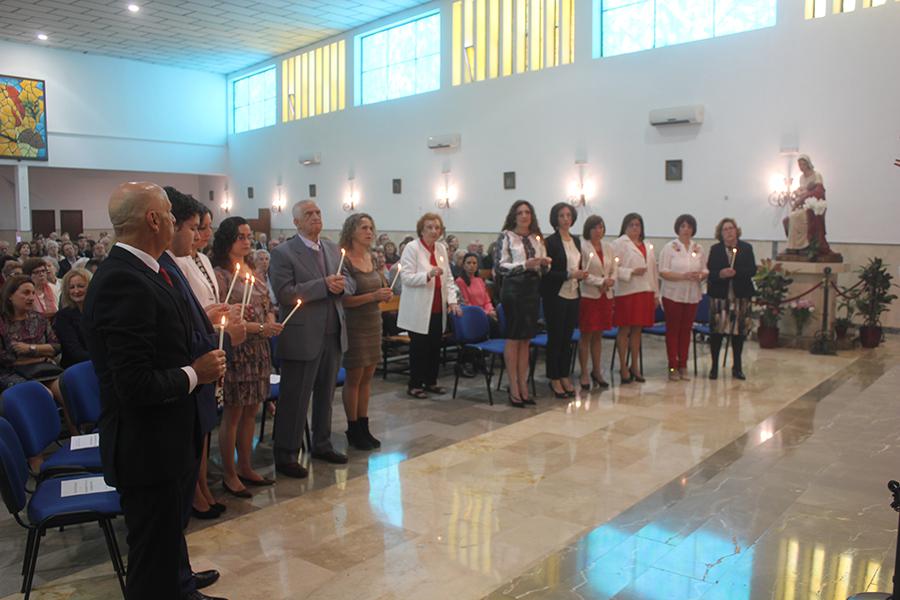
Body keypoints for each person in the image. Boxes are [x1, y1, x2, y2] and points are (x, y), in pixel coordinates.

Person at [82, 182, 227, 600]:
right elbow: (133, 383)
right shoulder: (122, 280)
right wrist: (195, 373)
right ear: (153, 219)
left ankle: (180, 586)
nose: (174, 220)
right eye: (169, 212)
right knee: (150, 557)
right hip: (146, 445)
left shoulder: (151, 269)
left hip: (168, 436)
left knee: (166, 537)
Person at [173, 199, 244, 520]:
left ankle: (202, 485)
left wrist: (221, 313)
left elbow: (209, 300)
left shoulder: (200, 259)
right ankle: (196, 489)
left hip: (211, 339)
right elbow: (190, 311)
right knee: (198, 424)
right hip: (197, 348)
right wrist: (211, 317)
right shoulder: (179, 261)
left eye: (205, 227)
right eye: (197, 227)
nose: (203, 233)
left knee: (205, 422)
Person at [270, 200, 352, 478]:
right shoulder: (283, 253)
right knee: (295, 398)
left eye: (318, 212)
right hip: (302, 334)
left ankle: (322, 443)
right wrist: (323, 285)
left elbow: (349, 281)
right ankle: (286, 454)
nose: (316, 216)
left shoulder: (331, 248)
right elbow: (285, 293)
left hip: (332, 332)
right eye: (309, 214)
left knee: (326, 395)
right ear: (296, 222)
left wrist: (341, 286)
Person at [213, 217, 281, 496]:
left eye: (249, 236)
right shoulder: (221, 275)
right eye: (240, 236)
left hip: (258, 351)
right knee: (234, 413)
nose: (246, 241)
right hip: (238, 350)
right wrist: (261, 327)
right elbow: (225, 317)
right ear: (228, 239)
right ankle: (229, 473)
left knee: (252, 411)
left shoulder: (252, 270)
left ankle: (246, 466)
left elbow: (267, 303)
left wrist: (270, 320)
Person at [339, 213, 392, 450]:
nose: (369, 232)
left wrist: (384, 294)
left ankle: (364, 425)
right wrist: (373, 296)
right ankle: (353, 428)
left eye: (371, 227)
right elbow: (344, 300)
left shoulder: (371, 257)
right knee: (354, 377)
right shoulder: (344, 261)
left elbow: (378, 288)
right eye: (363, 228)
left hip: (373, 322)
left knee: (368, 376)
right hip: (354, 324)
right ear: (351, 231)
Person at [397, 213, 461, 399]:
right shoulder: (412, 248)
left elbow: (448, 278)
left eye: (437, 227)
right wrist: (427, 275)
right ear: (421, 230)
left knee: (434, 346)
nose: (434, 231)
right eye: (429, 227)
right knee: (419, 348)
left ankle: (431, 381)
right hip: (418, 308)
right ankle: (415, 384)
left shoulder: (441, 248)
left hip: (438, 307)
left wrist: (452, 301)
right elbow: (406, 277)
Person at [494, 200, 551, 407]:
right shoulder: (507, 236)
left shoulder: (536, 238)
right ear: (514, 216)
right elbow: (500, 267)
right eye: (520, 212)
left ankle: (524, 384)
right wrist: (524, 265)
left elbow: (543, 268)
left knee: (526, 339)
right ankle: (514, 386)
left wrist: (544, 264)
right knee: (514, 338)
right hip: (514, 290)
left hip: (532, 291)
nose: (524, 216)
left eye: (527, 212)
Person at [0, 276, 69, 443]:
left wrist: (30, 349)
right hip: (11, 373)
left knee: (66, 388)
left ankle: (77, 436)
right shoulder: (2, 322)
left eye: (32, 293)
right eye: (25, 293)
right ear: (10, 296)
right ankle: (38, 449)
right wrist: (42, 355)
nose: (31, 297)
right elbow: (6, 359)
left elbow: (56, 347)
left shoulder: (38, 318)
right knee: (42, 394)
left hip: (42, 370)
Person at [540, 202, 586, 398]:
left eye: (568, 215)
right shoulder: (549, 242)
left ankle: (564, 374)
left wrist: (581, 274)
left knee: (567, 338)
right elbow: (546, 274)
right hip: (556, 295)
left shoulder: (576, 241)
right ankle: (554, 377)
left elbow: (578, 265)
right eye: (562, 215)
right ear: (555, 219)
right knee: (556, 337)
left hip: (573, 294)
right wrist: (569, 275)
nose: (566, 219)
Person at [658, 214, 708, 381]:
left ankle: (683, 365)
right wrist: (683, 276)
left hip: (691, 294)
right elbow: (663, 271)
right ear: (678, 228)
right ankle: (673, 366)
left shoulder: (698, 248)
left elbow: (705, 269)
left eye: (689, 227)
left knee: (686, 331)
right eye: (683, 226)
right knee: (673, 331)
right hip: (673, 295)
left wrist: (700, 275)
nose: (686, 230)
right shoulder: (670, 247)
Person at [706, 218, 757, 381]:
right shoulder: (715, 249)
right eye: (725, 229)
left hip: (740, 296)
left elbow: (752, 270)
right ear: (721, 233)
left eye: (731, 228)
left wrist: (736, 273)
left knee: (738, 333)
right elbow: (710, 272)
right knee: (717, 333)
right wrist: (721, 274)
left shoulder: (746, 248)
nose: (728, 232)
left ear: (736, 230)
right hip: (720, 297)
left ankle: (737, 367)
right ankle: (714, 367)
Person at [613, 213, 658, 384]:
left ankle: (635, 366)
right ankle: (623, 366)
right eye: (631, 225)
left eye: (637, 225)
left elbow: (653, 271)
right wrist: (631, 272)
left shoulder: (647, 245)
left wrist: (656, 294)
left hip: (645, 290)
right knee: (624, 330)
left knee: (637, 330)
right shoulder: (619, 244)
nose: (634, 228)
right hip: (627, 291)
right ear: (625, 227)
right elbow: (613, 268)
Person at [577, 215, 616, 390]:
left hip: (605, 295)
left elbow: (614, 268)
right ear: (588, 229)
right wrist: (600, 282)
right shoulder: (583, 247)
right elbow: (583, 272)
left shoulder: (608, 247)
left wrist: (609, 281)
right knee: (586, 335)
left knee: (598, 335)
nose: (598, 231)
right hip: (589, 295)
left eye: (600, 227)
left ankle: (597, 370)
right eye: (594, 227)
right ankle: (584, 372)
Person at [784, 154, 831, 256]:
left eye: (803, 164)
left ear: (808, 164)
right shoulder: (801, 177)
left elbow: (819, 191)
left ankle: (804, 245)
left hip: (813, 206)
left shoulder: (816, 175)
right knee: (792, 217)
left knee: (796, 216)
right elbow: (803, 189)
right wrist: (798, 193)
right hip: (804, 205)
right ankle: (794, 246)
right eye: (799, 165)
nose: (801, 167)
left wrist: (804, 197)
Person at [54, 268, 92, 368]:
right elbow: (74, 351)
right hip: (77, 367)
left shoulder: (100, 312)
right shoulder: (63, 316)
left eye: (81, 286)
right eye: (71, 287)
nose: (76, 291)